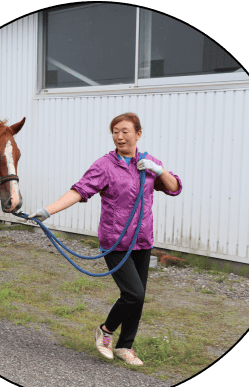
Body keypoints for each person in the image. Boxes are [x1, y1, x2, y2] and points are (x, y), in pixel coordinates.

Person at [28, 112, 182, 366]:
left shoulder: (149, 162)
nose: (119, 136)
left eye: (125, 131)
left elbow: (174, 187)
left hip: (142, 240)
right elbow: (79, 190)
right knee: (133, 293)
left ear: (138, 134)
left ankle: (125, 347)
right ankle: (106, 331)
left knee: (138, 296)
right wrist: (48, 211)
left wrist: (159, 169)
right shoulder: (104, 165)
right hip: (115, 241)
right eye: (115, 132)